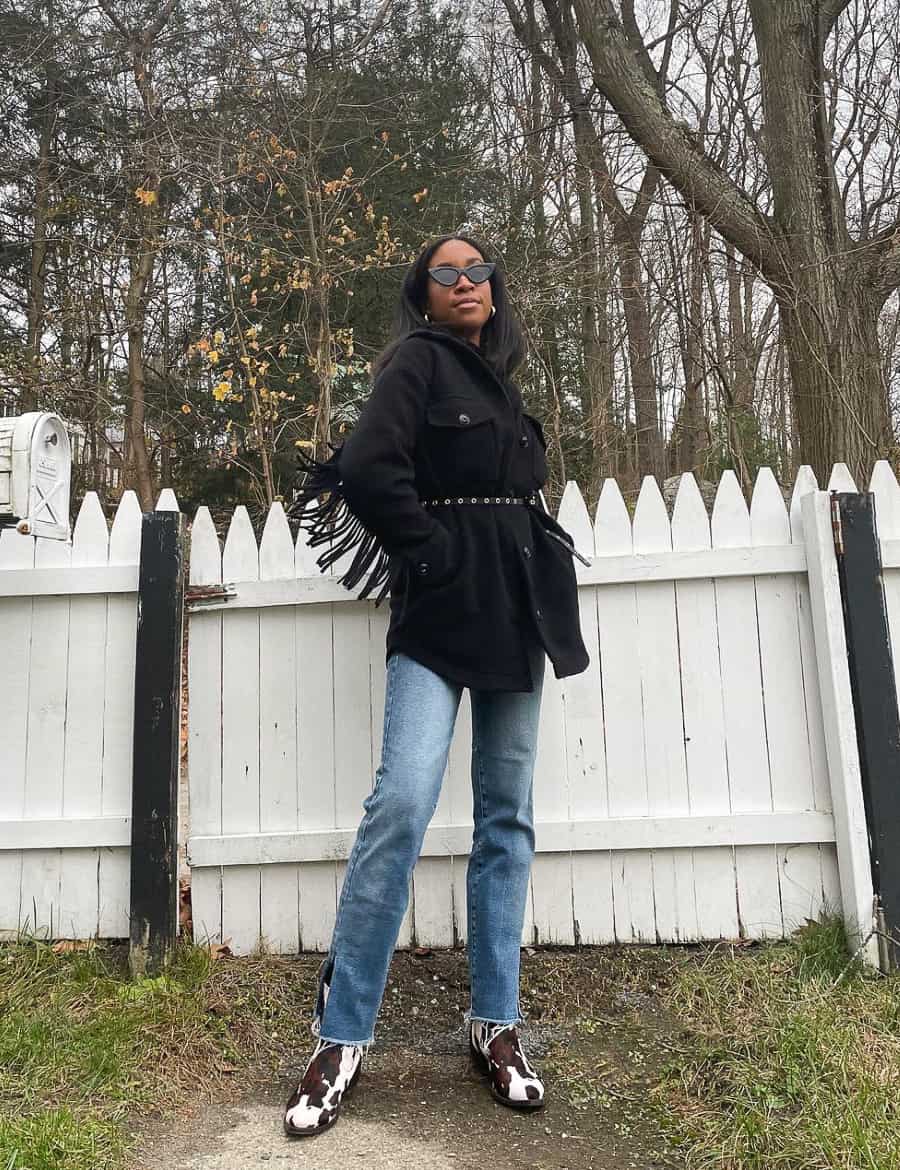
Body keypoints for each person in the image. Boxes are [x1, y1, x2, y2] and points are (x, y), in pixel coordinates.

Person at [283, 233, 590, 1138]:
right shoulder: (415, 364)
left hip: (518, 613)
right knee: (403, 804)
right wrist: (437, 556)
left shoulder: (502, 379)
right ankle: (340, 1036)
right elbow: (369, 469)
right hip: (440, 614)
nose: (465, 282)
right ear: (423, 293)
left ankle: (496, 1026)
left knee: (507, 817)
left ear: (496, 289)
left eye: (479, 270)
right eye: (445, 273)